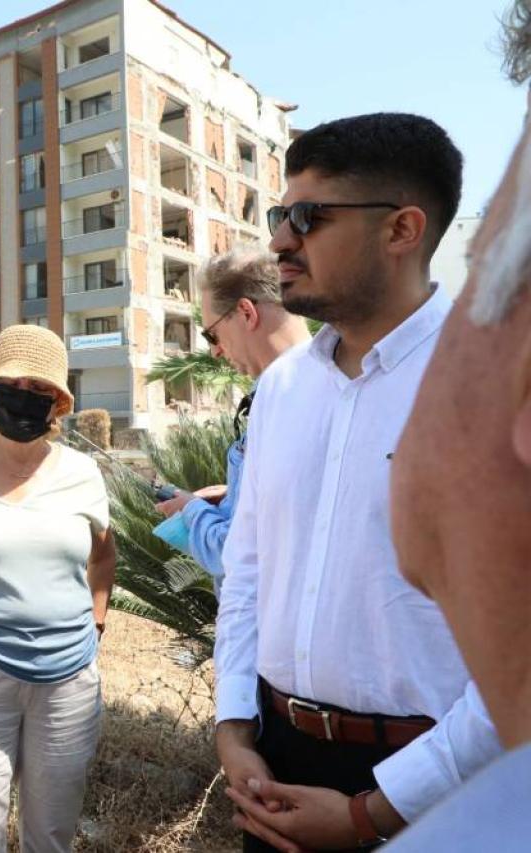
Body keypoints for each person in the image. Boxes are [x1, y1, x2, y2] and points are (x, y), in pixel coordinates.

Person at [237, 6, 531, 849]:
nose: (282, 241)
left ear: (403, 229)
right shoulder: (286, 387)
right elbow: (250, 562)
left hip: (437, 780)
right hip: (276, 761)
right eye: (278, 215)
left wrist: (380, 808)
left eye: (310, 218)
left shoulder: (481, 379)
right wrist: (233, 724)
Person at [0, 324, 116, 853]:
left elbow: (103, 553)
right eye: (14, 385)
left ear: (58, 404)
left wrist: (95, 622)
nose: (25, 399)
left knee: (52, 836)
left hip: (67, 681)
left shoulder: (82, 473)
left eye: (41, 391)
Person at [154, 250, 310, 590]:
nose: (215, 351)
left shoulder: (289, 399)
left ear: (245, 311)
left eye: (212, 334)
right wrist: (237, 493)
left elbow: (240, 551)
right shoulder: (310, 385)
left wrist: (192, 511)